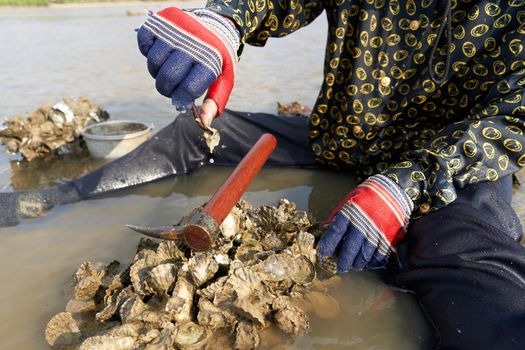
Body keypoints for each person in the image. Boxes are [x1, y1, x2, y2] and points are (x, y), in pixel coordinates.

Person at [2, 0, 525, 348]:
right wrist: (226, 19)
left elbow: (514, 116)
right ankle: (58, 195)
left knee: (472, 269)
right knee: (196, 132)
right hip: (344, 135)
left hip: (454, 163)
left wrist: (411, 183)